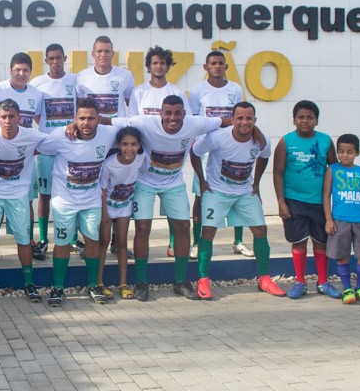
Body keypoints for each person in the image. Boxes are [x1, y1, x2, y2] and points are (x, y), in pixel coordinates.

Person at [110, 96, 230, 300]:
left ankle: (180, 281)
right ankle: (141, 282)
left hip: (173, 183)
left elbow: (226, 121)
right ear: (160, 113)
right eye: (168, 113)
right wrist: (74, 127)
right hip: (144, 182)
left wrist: (255, 132)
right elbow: (110, 122)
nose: (172, 118)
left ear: (184, 113)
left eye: (177, 113)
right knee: (142, 228)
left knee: (183, 227)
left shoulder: (195, 123)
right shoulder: (144, 122)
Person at [190, 102, 285, 300]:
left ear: (255, 120)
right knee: (208, 231)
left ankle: (264, 278)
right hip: (217, 190)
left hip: (244, 191)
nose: (244, 122)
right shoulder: (217, 137)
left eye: (248, 118)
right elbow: (195, 152)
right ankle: (203, 279)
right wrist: (202, 180)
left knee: (261, 229)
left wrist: (256, 183)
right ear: (232, 120)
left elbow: (264, 156)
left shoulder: (262, 140)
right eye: (240, 118)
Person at [39, 98, 118, 307]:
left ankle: (93, 285)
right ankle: (58, 287)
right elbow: (38, 147)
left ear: (99, 119)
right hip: (64, 201)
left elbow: (134, 127)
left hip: (91, 201)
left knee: (92, 241)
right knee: (62, 243)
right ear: (75, 119)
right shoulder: (61, 135)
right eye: (81, 118)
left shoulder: (109, 133)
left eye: (91, 118)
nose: (86, 123)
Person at [0, 99, 48, 303]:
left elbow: (53, 141)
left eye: (11, 116)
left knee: (23, 239)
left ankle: (29, 284)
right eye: (3, 117)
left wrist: (71, 128)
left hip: (18, 195)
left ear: (19, 118)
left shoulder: (31, 135)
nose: (7, 121)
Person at [272, 100, 342, 300]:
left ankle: (323, 282)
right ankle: (300, 282)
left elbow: (334, 170)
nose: (305, 121)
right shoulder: (286, 142)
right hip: (294, 201)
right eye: (300, 117)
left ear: (316, 120)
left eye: (310, 117)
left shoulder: (325, 141)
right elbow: (278, 173)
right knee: (299, 242)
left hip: (320, 203)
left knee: (320, 242)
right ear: (294, 119)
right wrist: (281, 202)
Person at [188, 50, 250, 259]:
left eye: (220, 63)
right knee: (201, 195)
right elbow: (194, 121)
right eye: (213, 63)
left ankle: (238, 241)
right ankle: (197, 243)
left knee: (237, 192)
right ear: (205, 67)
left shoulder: (235, 89)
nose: (217, 66)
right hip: (206, 148)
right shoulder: (197, 91)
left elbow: (241, 117)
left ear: (226, 66)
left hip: (231, 148)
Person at [76, 36, 134, 257]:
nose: (103, 55)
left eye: (107, 51)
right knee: (92, 189)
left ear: (112, 53)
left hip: (115, 140)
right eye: (99, 51)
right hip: (93, 139)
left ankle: (117, 242)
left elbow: (129, 105)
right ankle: (91, 242)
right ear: (93, 54)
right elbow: (80, 109)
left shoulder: (125, 76)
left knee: (118, 189)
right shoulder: (82, 77)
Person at [127, 46, 187, 257]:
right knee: (143, 226)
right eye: (154, 63)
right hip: (145, 168)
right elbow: (132, 124)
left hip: (170, 168)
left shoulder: (176, 92)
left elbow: (186, 123)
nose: (158, 66)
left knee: (178, 220)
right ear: (148, 66)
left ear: (168, 66)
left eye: (162, 63)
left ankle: (173, 244)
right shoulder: (139, 92)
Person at [0, 52, 45, 265]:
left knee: (26, 200)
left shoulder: (36, 94)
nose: (21, 74)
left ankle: (27, 241)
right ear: (10, 70)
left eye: (26, 70)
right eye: (17, 70)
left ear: (31, 72)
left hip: (23, 158)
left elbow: (37, 121)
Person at [31, 43, 84, 260]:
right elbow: (37, 115)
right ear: (46, 61)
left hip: (71, 147)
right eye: (51, 58)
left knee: (71, 191)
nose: (55, 62)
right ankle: (44, 238)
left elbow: (80, 110)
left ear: (64, 59)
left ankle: (72, 238)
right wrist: (52, 132)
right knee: (45, 194)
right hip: (47, 146)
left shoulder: (74, 80)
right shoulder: (37, 83)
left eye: (58, 58)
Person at [324, 134, 360, 305]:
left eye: (349, 152)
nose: (344, 155)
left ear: (357, 153)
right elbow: (326, 196)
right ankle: (347, 289)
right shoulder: (332, 170)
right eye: (341, 151)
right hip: (339, 220)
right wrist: (329, 219)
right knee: (342, 255)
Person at [97, 127, 145, 300]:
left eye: (133, 144)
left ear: (139, 145)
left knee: (122, 243)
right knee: (103, 242)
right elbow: (102, 188)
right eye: (125, 144)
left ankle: (123, 283)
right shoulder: (109, 164)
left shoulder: (141, 158)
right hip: (108, 207)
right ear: (118, 145)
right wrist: (104, 214)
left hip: (125, 206)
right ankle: (99, 282)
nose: (129, 148)